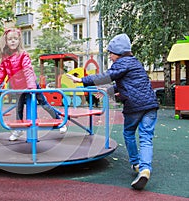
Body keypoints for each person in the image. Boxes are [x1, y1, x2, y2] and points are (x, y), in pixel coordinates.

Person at [66, 33, 159, 190]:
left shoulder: (121, 63)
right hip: (150, 105)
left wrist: (82, 80)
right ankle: (145, 169)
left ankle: (136, 164)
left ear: (119, 53)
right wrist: (108, 91)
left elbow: (108, 76)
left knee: (129, 133)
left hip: (135, 107)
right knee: (146, 138)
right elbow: (124, 83)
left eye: (111, 53)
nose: (109, 56)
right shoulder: (135, 63)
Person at [0, 28, 67, 141]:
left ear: (19, 41)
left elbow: (28, 71)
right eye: (10, 39)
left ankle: (60, 122)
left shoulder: (23, 55)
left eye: (15, 39)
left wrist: (31, 88)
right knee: (18, 108)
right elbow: (1, 73)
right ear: (6, 41)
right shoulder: (5, 58)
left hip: (31, 85)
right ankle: (19, 130)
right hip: (18, 88)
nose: (13, 41)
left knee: (44, 104)